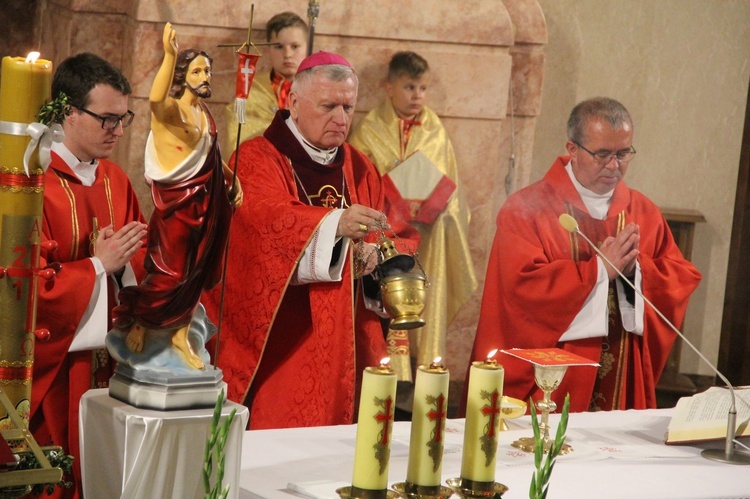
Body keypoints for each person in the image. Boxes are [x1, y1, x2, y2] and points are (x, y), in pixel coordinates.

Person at [202, 51, 419, 429]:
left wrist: (374, 258)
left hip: (348, 340)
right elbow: (258, 226)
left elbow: (395, 233)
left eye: (348, 107)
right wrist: (335, 224)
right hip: (284, 342)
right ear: (294, 103)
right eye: (328, 106)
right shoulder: (256, 159)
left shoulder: (359, 165)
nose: (341, 118)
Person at [467, 97, 701, 413]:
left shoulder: (643, 212)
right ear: (573, 149)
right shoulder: (526, 210)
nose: (614, 165)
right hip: (552, 378)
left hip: (620, 370)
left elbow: (679, 278)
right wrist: (599, 271)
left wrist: (637, 271)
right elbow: (517, 292)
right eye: (603, 154)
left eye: (623, 154)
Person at [31, 52, 148, 497]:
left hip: (114, 371)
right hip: (58, 375)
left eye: (124, 119)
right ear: (68, 113)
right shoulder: (31, 184)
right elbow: (23, 289)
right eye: (107, 120)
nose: (118, 131)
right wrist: (98, 267)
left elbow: (140, 264)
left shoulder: (115, 178)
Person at [113, 23, 240, 370]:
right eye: (197, 70)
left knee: (197, 271)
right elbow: (154, 98)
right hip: (178, 206)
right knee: (170, 273)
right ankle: (142, 321)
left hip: (208, 202)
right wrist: (169, 55)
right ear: (183, 76)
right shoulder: (170, 111)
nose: (205, 75)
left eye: (208, 70)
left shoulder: (204, 114)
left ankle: (181, 335)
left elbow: (211, 153)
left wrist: (233, 179)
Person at [348, 51, 477, 383]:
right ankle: (385, 372)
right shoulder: (369, 128)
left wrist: (439, 207)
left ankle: (418, 376)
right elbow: (359, 179)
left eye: (423, 88)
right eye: (409, 87)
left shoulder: (435, 130)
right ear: (389, 87)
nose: (417, 95)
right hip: (386, 234)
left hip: (429, 237)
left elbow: (452, 184)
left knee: (426, 298)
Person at [224, 11, 308, 154]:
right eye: (279, 47)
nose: (287, 54)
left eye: (295, 46)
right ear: (268, 49)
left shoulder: (317, 91)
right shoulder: (250, 90)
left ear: (307, 47)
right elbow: (236, 134)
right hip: (264, 166)